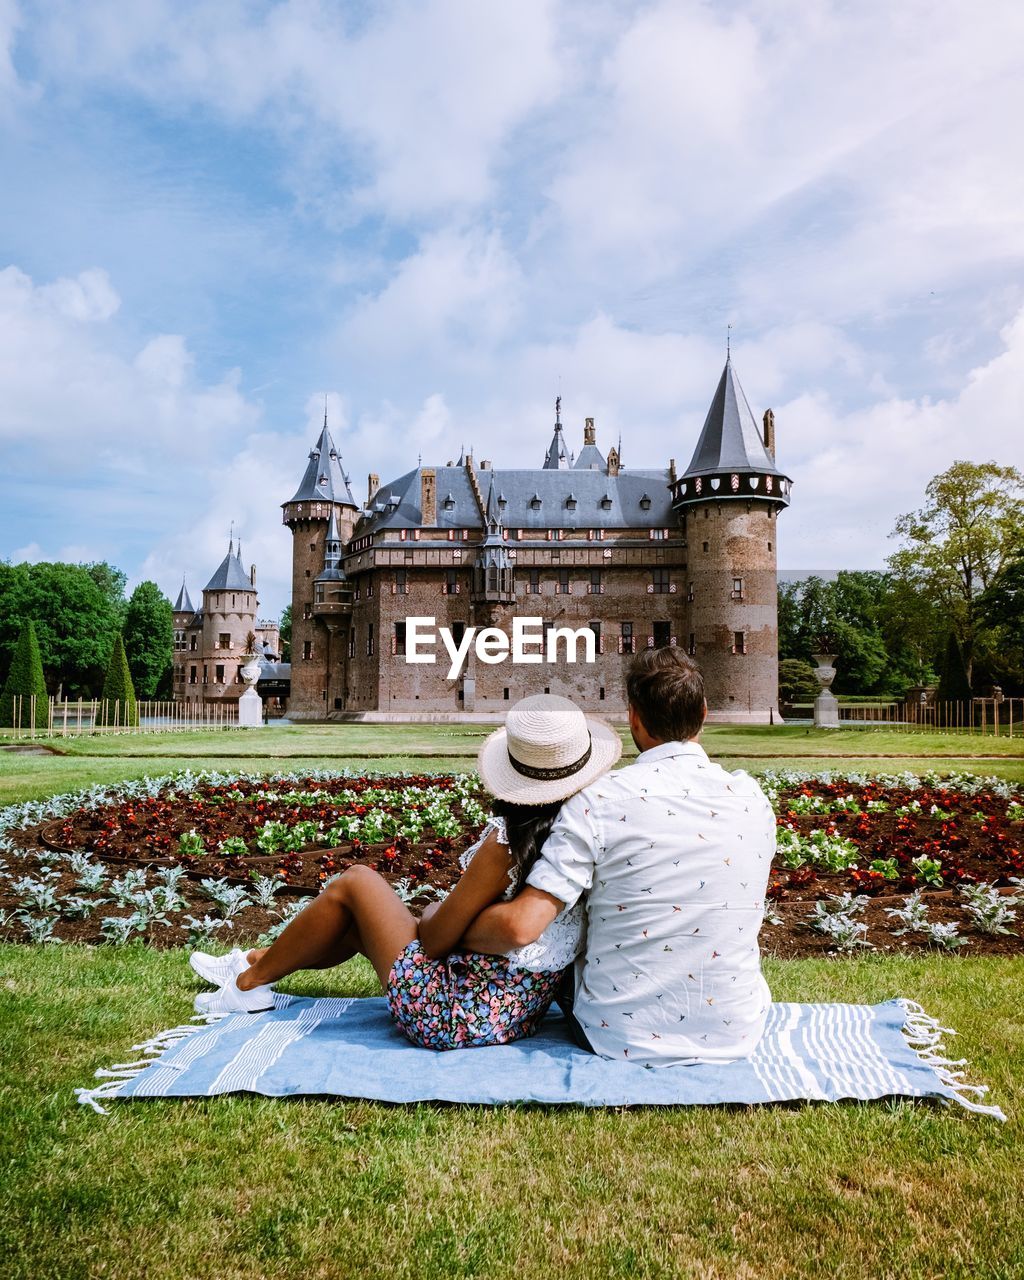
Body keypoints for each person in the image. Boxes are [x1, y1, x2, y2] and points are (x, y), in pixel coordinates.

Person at [189, 694, 622, 1052]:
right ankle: (258, 962)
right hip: (510, 1013)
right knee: (356, 923)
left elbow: (434, 942)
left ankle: (246, 987)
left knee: (356, 881)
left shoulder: (507, 842)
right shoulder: (583, 831)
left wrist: (434, 914)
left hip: (450, 1012)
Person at [460, 648, 777, 1066]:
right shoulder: (753, 800)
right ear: (703, 713)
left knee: (561, 930)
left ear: (633, 718)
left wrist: (454, 927)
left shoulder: (600, 801)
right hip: (735, 1030)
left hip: (620, 1034)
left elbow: (521, 927)